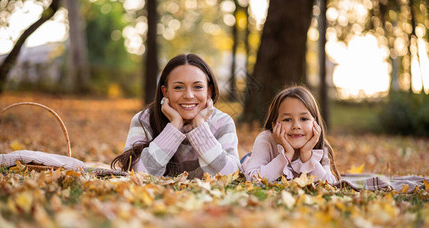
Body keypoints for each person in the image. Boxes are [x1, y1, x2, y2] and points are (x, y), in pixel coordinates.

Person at [111, 54, 240, 178]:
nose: (189, 95)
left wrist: (200, 127)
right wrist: (174, 127)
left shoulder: (223, 122)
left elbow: (231, 174)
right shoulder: (144, 120)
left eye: (198, 87)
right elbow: (136, 173)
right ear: (165, 92)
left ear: (209, 91)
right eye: (179, 87)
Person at [242, 85, 340, 184]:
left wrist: (307, 155)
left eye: (304, 119)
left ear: (315, 123)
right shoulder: (265, 139)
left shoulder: (320, 146)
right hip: (255, 160)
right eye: (287, 119)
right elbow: (252, 179)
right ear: (275, 124)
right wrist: (286, 155)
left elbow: (330, 183)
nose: (296, 126)